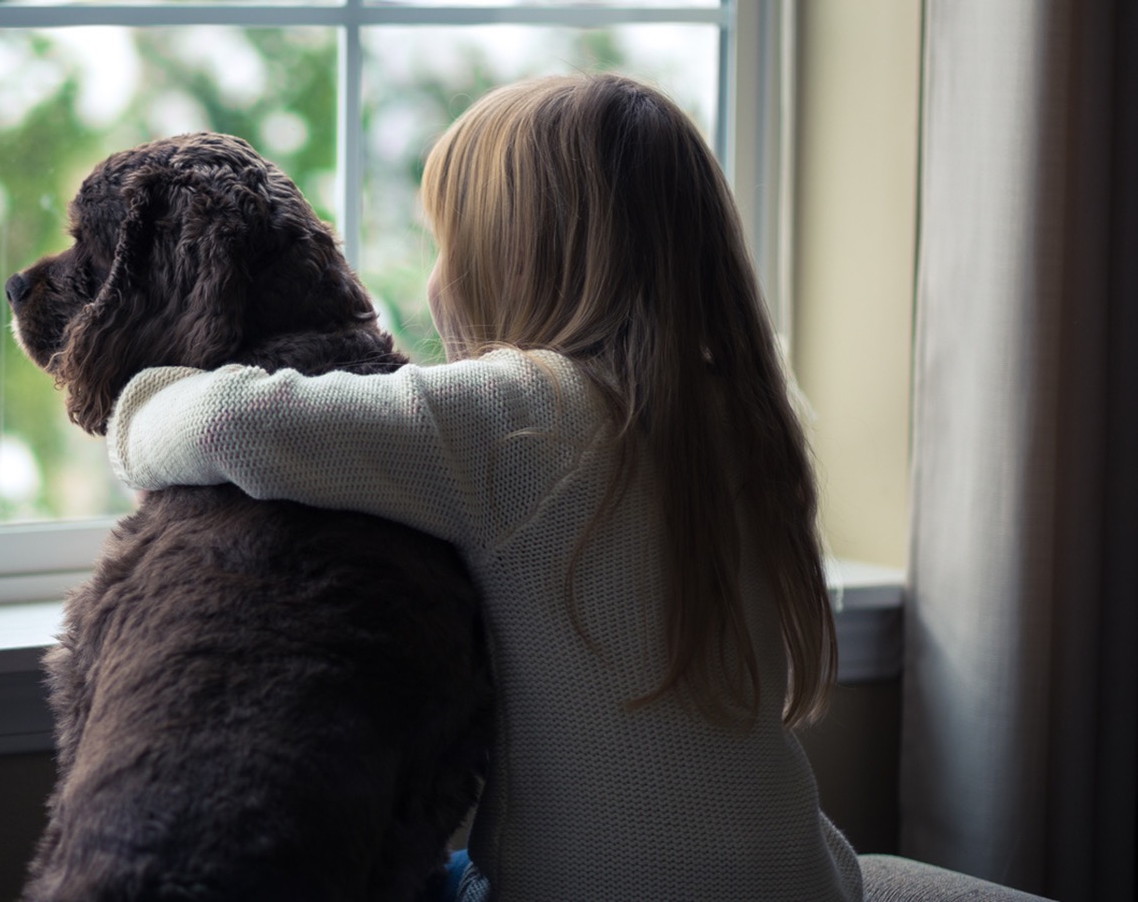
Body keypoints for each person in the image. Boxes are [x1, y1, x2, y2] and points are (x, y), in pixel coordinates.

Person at [104, 73, 863, 901]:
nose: (434, 281)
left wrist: (136, 403)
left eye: (446, 245)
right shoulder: (748, 408)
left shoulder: (522, 413)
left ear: (514, 257)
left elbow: (232, 425)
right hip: (804, 876)